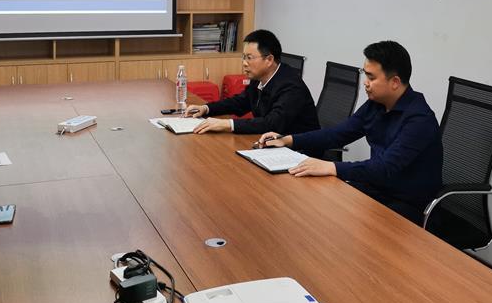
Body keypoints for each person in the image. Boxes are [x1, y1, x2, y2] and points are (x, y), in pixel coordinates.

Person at [258, 40, 442, 225]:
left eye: (371, 77)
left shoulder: (419, 120)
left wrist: (331, 167)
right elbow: (338, 134)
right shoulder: (376, 105)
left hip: (408, 204)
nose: (365, 83)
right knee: (310, 207)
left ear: (394, 82)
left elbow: (385, 168)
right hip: (376, 190)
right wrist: (288, 140)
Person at [184, 29, 319, 137]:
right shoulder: (259, 78)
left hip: (301, 152)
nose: (244, 63)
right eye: (243, 57)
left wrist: (227, 124)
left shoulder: (291, 86)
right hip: (271, 142)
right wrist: (206, 108)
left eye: (249, 58)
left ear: (269, 60)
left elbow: (272, 123)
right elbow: (240, 102)